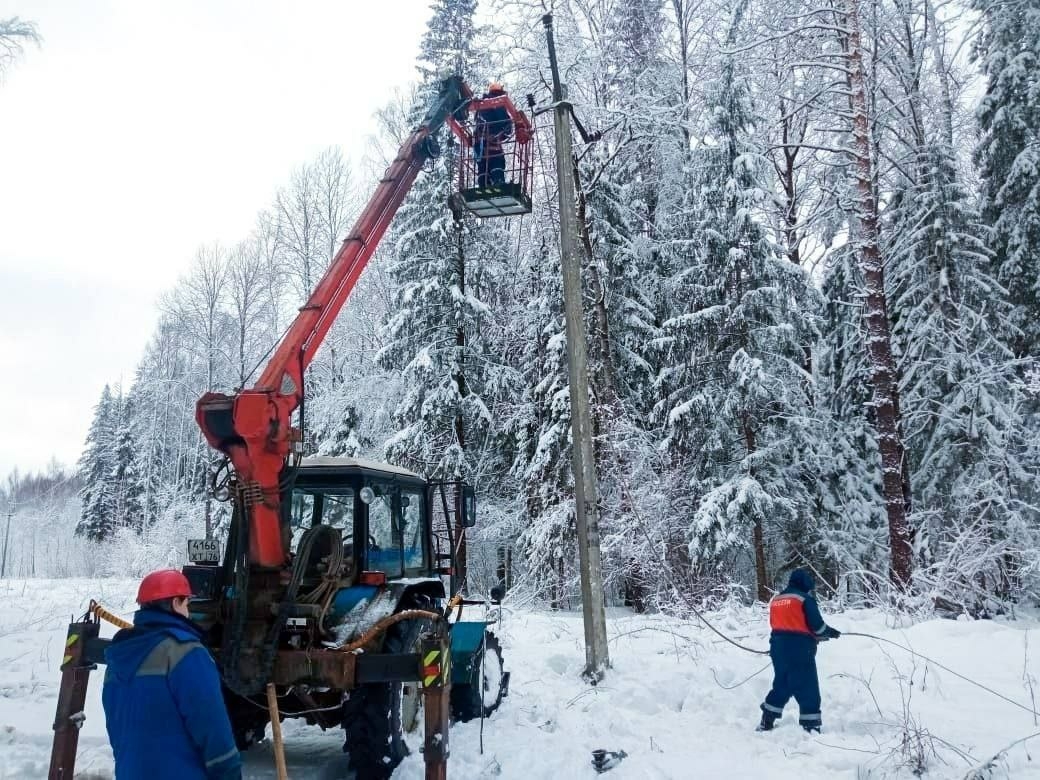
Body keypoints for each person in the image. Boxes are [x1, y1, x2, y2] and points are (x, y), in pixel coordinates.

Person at [103, 569, 242, 779]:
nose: (188, 610)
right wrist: (229, 772)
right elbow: (211, 725)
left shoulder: (118, 656)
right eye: (186, 603)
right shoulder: (185, 651)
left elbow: (116, 728)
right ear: (176, 603)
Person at [758, 568, 841, 733]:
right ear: (805, 584)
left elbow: (782, 624)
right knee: (807, 685)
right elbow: (818, 627)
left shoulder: (777, 599)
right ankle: (811, 726)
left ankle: (767, 719)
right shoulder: (804, 599)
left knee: (783, 683)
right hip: (800, 649)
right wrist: (830, 632)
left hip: (778, 647)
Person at [474, 82, 513, 188]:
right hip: (492, 141)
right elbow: (505, 122)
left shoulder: (480, 108)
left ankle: (483, 185)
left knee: (483, 165)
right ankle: (498, 182)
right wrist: (508, 126)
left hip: (480, 145)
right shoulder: (497, 102)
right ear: (499, 92)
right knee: (497, 161)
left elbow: (477, 125)